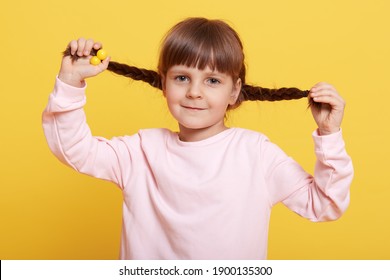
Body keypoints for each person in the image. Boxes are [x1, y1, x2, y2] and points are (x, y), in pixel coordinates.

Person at [42, 17, 353, 259]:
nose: (194, 91)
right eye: (181, 78)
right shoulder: (141, 151)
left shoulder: (255, 153)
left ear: (234, 91)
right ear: (163, 83)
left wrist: (329, 135)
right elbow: (75, 151)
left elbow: (324, 205)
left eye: (213, 80)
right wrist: (70, 81)